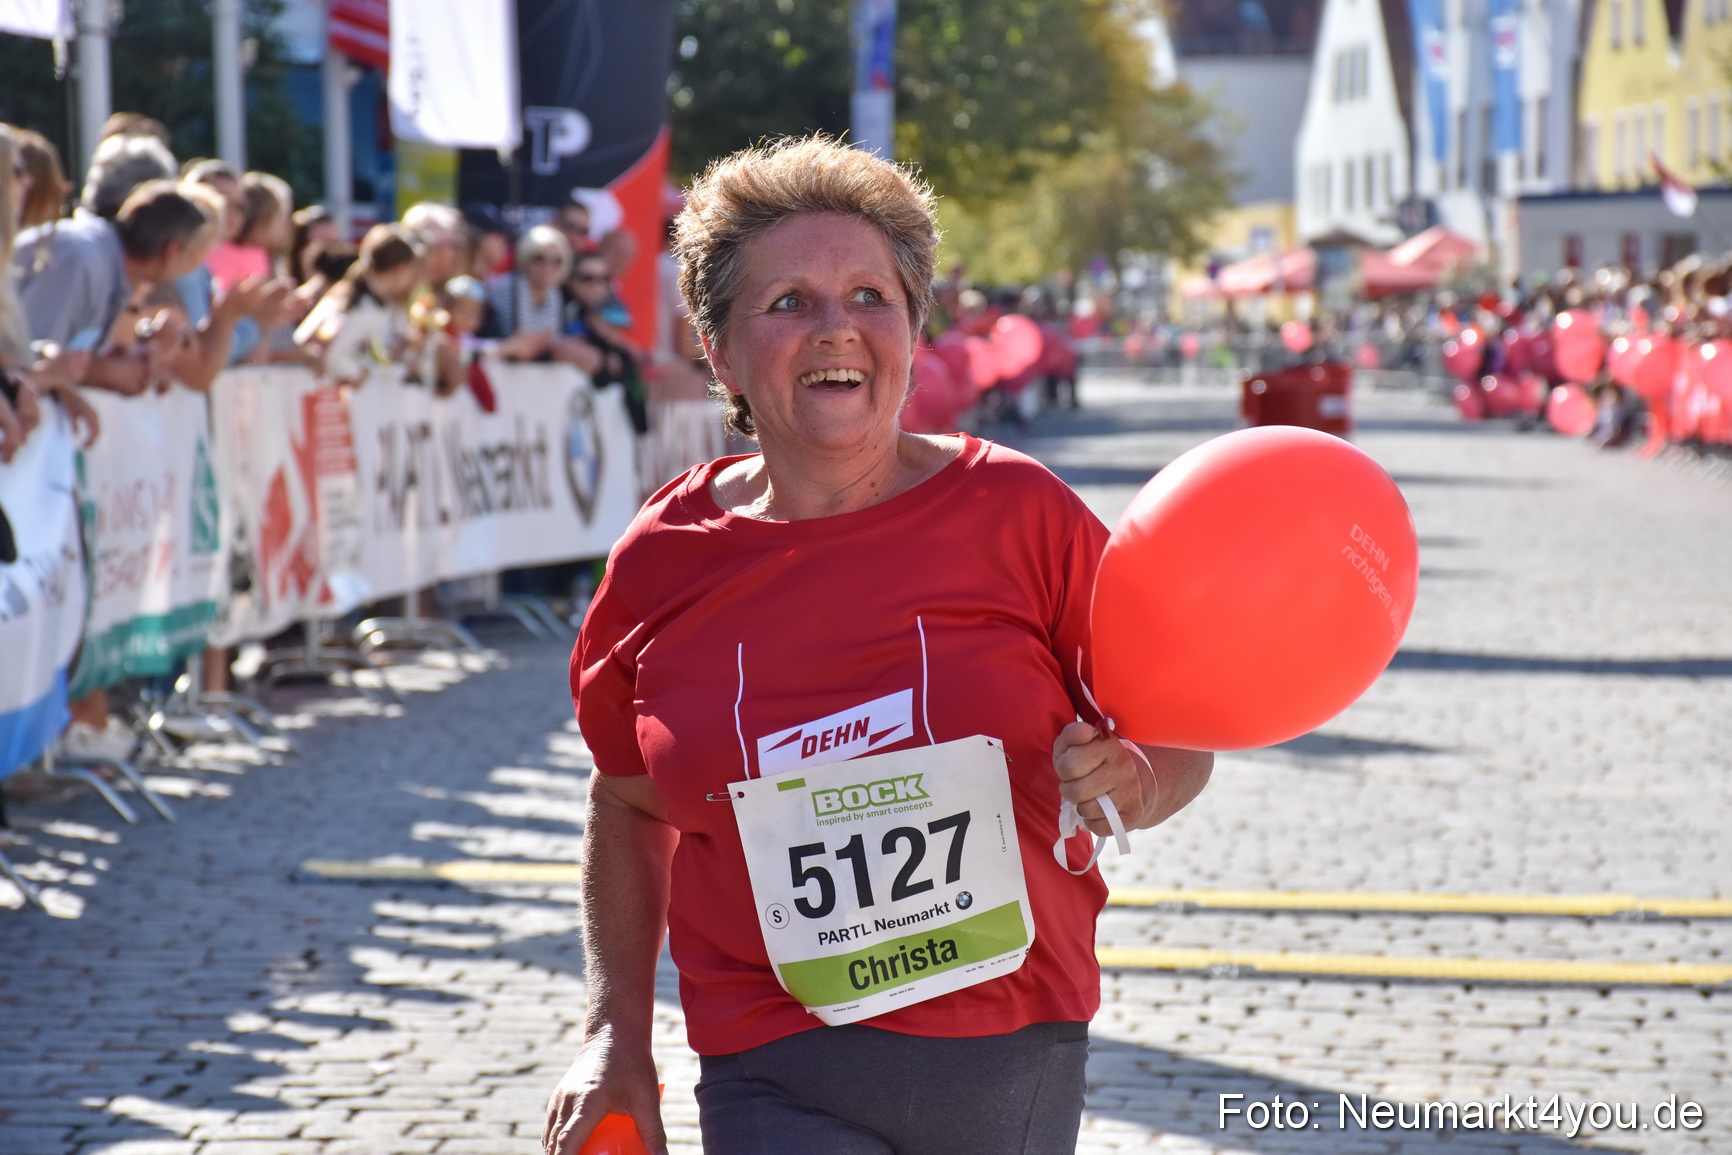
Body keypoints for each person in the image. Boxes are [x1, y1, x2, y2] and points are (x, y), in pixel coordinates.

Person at [543, 137, 1214, 1155]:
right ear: (718, 350)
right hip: (769, 1064)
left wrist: (1132, 780)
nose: (836, 331)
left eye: (870, 296)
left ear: (912, 328)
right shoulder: (663, 559)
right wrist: (612, 1035)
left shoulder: (1019, 514)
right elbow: (627, 798)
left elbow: (1177, 738)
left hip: (1010, 1053)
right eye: (788, 304)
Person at [294, 223, 423, 384]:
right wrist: (356, 373)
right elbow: (331, 353)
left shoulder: (366, 299)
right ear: (401, 268)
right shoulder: (360, 306)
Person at [479, 225, 600, 372]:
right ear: (525, 258)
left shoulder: (554, 294)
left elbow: (547, 340)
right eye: (539, 258)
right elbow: (514, 338)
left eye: (557, 261)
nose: (547, 266)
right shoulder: (509, 288)